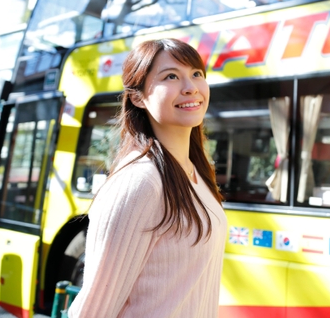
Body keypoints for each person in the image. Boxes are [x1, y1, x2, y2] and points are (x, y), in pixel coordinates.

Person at [68, 38, 226, 318]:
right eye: (171, 76)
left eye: (196, 74)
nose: (191, 87)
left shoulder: (196, 174)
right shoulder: (140, 182)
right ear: (138, 97)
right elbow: (92, 312)